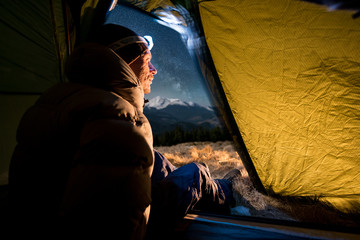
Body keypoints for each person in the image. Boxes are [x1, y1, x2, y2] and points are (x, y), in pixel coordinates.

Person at [8, 24, 240, 238]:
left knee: (157, 162)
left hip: (40, 217)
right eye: (147, 60)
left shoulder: (60, 99)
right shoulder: (116, 116)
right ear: (123, 63)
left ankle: (220, 185)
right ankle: (229, 192)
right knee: (195, 173)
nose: (154, 69)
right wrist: (195, 175)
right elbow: (119, 224)